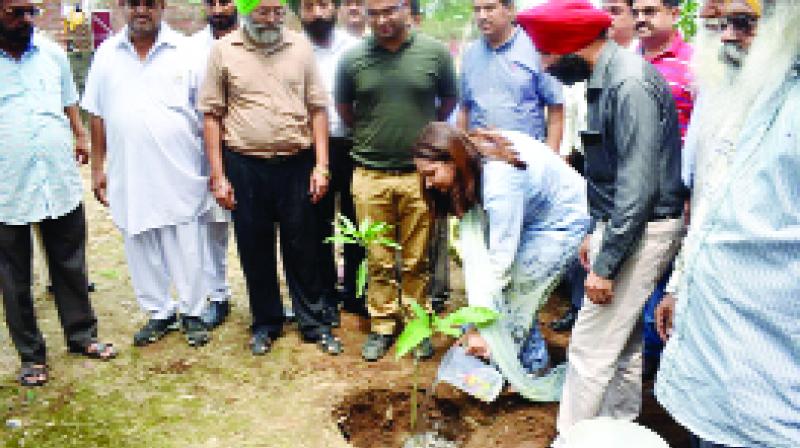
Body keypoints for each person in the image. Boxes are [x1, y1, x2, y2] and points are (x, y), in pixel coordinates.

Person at [517, 0, 685, 437]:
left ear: (571, 46)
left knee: (589, 350)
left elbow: (637, 188)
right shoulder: (606, 78)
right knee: (622, 344)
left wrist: (606, 265)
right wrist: (598, 232)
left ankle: (572, 439)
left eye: (547, 54)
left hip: (644, 227)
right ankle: (617, 431)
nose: (545, 65)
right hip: (629, 223)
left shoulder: (628, 84)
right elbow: (615, 177)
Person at [655, 1, 800, 447]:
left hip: (770, 383)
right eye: (720, 24)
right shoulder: (741, 92)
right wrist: (680, 285)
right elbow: (712, 202)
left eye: (744, 23)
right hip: (713, 352)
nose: (728, 36)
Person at [199, 0, 342, 356]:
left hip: (296, 163)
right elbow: (212, 115)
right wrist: (218, 175)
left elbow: (318, 108)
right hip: (244, 165)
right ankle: (266, 322)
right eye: (264, 12)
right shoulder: (223, 51)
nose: (273, 19)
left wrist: (321, 165)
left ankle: (313, 322)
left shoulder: (300, 46)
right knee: (254, 247)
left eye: (278, 12)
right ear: (247, 11)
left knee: (303, 246)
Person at [414, 123, 590, 400]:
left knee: (518, 292)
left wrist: (478, 327)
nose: (428, 184)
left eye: (431, 174)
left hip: (563, 220)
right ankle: (517, 361)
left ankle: (529, 371)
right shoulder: (472, 158)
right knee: (509, 296)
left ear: (452, 160)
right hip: (532, 215)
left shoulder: (499, 180)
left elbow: (500, 265)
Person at [82, 0, 212, 348]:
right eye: (134, 3)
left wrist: (215, 167)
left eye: (150, 3)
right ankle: (159, 312)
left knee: (186, 241)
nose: (142, 10)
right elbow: (97, 115)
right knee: (139, 240)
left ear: (162, 6)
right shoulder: (106, 54)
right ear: (122, 6)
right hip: (129, 168)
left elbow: (207, 114)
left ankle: (193, 312)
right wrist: (98, 167)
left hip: (179, 167)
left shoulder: (186, 52)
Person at [0, 0, 117, 387]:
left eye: (30, 12)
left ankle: (82, 335)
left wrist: (80, 136)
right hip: (8, 184)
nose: (25, 20)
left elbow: (69, 101)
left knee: (70, 262)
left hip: (56, 176)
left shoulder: (52, 54)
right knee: (14, 276)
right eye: (15, 12)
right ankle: (31, 356)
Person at [335, 0, 458, 362]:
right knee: (378, 257)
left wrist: (424, 141)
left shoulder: (435, 53)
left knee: (418, 258)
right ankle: (383, 325)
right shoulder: (352, 59)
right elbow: (345, 109)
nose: (382, 19)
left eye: (390, 10)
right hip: (369, 175)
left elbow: (448, 101)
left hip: (419, 177)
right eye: (374, 13)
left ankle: (417, 324)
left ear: (406, 8)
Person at [633, 0, 694, 379]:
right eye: (637, 11)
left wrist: (690, 195)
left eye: (651, 10)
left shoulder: (694, 65)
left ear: (674, 13)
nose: (641, 18)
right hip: (633, 195)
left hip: (675, 197)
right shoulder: (627, 62)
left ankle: (659, 366)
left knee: (667, 282)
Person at [295, 0, 363, 325]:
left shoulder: (356, 48)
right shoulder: (293, 50)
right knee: (317, 225)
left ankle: (355, 292)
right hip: (311, 150)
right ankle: (324, 295)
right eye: (309, 7)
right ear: (298, 12)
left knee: (355, 221)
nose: (317, 14)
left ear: (335, 8)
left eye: (323, 5)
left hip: (352, 144)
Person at [190, 0, 239, 330]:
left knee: (264, 227)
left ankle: (272, 298)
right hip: (208, 152)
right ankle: (218, 295)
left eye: (226, 1)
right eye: (212, 3)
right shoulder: (191, 50)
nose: (219, 9)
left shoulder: (257, 40)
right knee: (213, 226)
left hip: (253, 149)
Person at [458, 0, 564, 152]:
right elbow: (464, 109)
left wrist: (549, 157)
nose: (482, 16)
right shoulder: (470, 55)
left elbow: (556, 109)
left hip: (526, 156)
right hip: (480, 157)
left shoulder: (536, 49)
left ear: (510, 10)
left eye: (489, 8)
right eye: (477, 10)